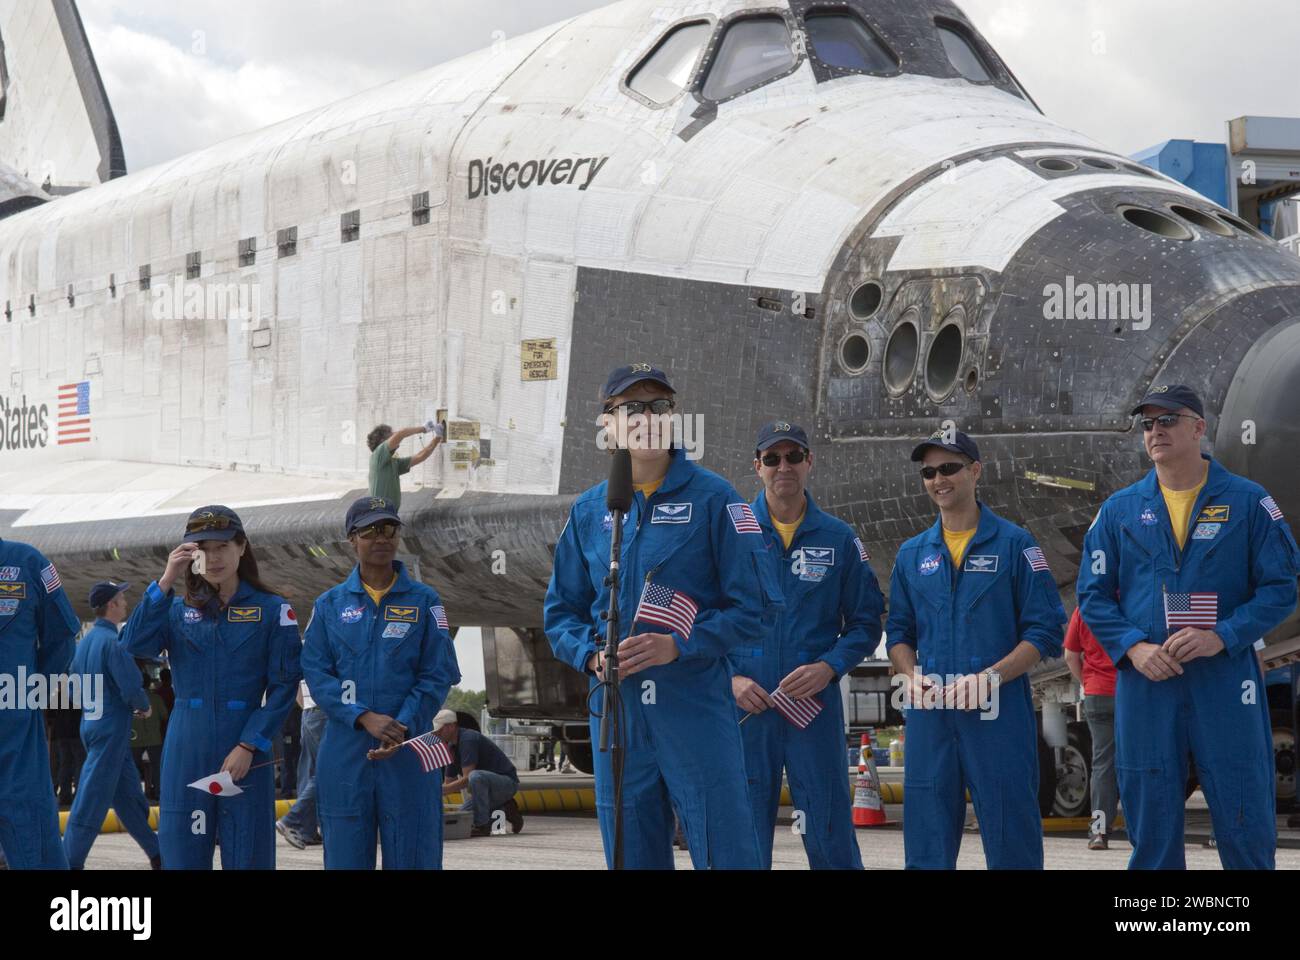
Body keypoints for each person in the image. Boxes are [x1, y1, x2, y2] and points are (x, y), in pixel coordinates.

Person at [544, 364, 780, 869]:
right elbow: (560, 614)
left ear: (674, 419)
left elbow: (759, 605)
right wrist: (590, 656)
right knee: (631, 854)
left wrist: (681, 643)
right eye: (632, 408)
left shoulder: (717, 500)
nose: (646, 418)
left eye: (659, 407)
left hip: (693, 710)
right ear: (608, 424)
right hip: (617, 714)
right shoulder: (589, 512)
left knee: (726, 850)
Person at [1078, 385, 1299, 869]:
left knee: (1244, 810)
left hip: (1223, 678)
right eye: (1148, 424)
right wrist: (1134, 648)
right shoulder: (1118, 511)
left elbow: (1282, 587)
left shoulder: (1248, 502)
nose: (1155, 431)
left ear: (1198, 427)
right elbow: (1092, 595)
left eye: (1168, 420)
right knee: (1150, 814)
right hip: (1148, 681)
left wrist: (1222, 635)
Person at [886, 430, 1066, 869]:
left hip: (997, 716)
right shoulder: (911, 555)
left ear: (975, 471)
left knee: (1012, 840)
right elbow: (898, 633)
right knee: (926, 843)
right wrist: (909, 675)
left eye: (949, 468)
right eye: (929, 472)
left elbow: (1045, 632)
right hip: (931, 718)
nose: (938, 479)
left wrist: (991, 678)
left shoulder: (1016, 545)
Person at [731, 421, 885, 869]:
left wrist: (829, 667)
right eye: (773, 458)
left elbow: (864, 623)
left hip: (810, 707)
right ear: (757, 466)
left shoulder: (839, 539)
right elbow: (699, 622)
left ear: (809, 463)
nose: (785, 467)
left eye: (794, 456)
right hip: (745, 709)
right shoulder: (730, 534)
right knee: (741, 832)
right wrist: (731, 679)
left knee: (829, 824)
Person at [121, 505, 303, 869]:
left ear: (242, 547)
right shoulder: (174, 610)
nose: (214, 557)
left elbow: (284, 688)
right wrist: (166, 579)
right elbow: (133, 645)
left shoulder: (273, 610)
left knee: (249, 853)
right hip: (187, 744)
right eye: (203, 548)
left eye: (222, 546)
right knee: (183, 855)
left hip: (247, 747)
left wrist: (250, 744)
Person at [301, 496, 461, 869]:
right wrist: (361, 717)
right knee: (344, 857)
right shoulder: (329, 606)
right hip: (345, 748)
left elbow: (438, 672)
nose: (381, 537)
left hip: (409, 749)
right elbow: (316, 673)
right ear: (351, 540)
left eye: (389, 528)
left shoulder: (426, 602)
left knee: (414, 854)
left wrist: (399, 727)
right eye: (370, 530)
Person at [63, 581, 162, 870]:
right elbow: (130, 684)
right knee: (90, 801)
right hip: (111, 729)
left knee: (129, 798)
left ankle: (158, 855)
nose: (126, 603)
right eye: (122, 599)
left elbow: (73, 691)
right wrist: (142, 706)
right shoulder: (113, 643)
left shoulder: (84, 645)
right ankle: (69, 861)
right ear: (112, 605)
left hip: (91, 725)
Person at [0, 539, 81, 869]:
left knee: (32, 836)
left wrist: (30, 691)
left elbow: (62, 636)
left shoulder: (27, 563)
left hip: (14, 732)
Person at [1063, 606, 1120, 850]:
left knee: (1102, 764)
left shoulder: (1084, 609)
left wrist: (1087, 681)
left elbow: (1070, 656)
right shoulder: (1131, 601)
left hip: (1097, 693)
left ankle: (1099, 832)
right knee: (1138, 763)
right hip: (1132, 694)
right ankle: (1142, 827)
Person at [434, 709, 523, 836]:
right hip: (484, 789)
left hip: (507, 784)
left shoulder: (468, 739)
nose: (437, 733)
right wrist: (435, 793)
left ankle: (482, 825)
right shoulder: (450, 748)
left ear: (452, 726)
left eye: (440, 729)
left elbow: (467, 779)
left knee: (475, 776)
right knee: (463, 815)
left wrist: (443, 790)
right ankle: (506, 809)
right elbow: (449, 782)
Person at [276, 680, 326, 848]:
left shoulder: (304, 654)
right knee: (328, 771)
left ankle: (306, 830)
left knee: (308, 772)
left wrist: (307, 706)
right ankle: (292, 820)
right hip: (325, 713)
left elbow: (296, 685)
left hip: (309, 712)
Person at [367, 422, 444, 512]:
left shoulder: (393, 462)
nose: (394, 435)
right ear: (382, 441)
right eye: (391, 435)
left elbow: (420, 456)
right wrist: (423, 429)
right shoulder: (377, 456)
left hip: (390, 515)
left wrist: (438, 437)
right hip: (379, 515)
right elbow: (401, 433)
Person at [130, 669, 167, 802]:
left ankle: (135, 795)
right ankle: (158, 792)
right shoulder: (156, 698)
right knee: (157, 767)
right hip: (154, 738)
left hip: (134, 739)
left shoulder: (130, 699)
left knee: (133, 768)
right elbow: (164, 716)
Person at [46, 692, 84, 808]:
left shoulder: (58, 694)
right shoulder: (80, 693)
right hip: (77, 731)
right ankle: (79, 795)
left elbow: (50, 714)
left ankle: (64, 795)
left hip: (61, 733)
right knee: (80, 763)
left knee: (64, 764)